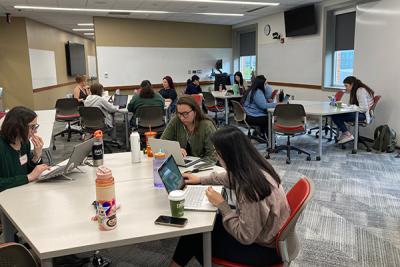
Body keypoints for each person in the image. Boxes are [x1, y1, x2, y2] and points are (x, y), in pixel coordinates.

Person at [169, 126, 290, 267]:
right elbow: (229, 177)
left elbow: (245, 236)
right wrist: (200, 179)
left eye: (217, 154)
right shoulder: (253, 167)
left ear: (228, 156)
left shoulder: (250, 190)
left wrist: (222, 205)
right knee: (198, 230)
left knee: (197, 238)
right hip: (267, 235)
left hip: (263, 249)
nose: (216, 157)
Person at [0, 106, 48, 192]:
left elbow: (28, 171)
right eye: (32, 127)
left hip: (22, 191)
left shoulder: (24, 143)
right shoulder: (2, 147)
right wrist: (28, 177)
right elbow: (29, 176)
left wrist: (36, 157)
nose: (35, 131)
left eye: (35, 127)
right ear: (17, 127)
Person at [161, 96, 216, 163]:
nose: (182, 118)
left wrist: (195, 168)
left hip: (204, 166)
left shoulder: (207, 125)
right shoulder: (176, 120)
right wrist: (176, 150)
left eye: (185, 114)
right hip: (183, 164)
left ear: (195, 112)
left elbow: (213, 156)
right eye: (179, 113)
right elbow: (162, 143)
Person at [332, 76, 375, 144]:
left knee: (335, 116)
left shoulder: (360, 91)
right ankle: (345, 133)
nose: (345, 88)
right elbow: (357, 106)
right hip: (361, 113)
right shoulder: (357, 90)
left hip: (363, 115)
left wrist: (352, 107)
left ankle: (347, 134)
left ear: (352, 84)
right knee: (337, 115)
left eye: (346, 86)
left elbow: (364, 108)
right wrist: (349, 107)